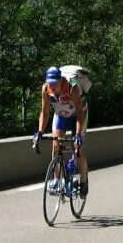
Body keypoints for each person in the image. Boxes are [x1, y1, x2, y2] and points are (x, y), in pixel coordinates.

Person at [33, 66, 88, 197]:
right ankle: (57, 180)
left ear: (61, 80)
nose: (52, 86)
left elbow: (80, 113)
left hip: (78, 115)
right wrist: (40, 132)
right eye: (50, 83)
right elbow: (45, 113)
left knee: (77, 149)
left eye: (55, 83)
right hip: (61, 115)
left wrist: (78, 135)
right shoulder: (46, 89)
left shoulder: (72, 87)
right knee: (56, 145)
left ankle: (83, 181)